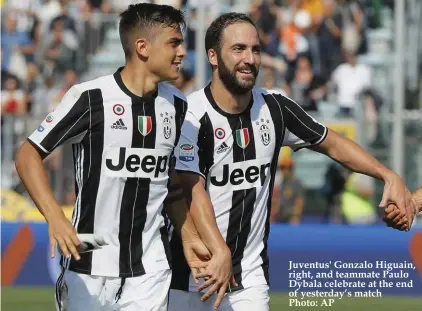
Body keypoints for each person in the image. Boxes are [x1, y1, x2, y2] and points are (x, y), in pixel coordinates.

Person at [168, 12, 417, 311]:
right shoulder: (189, 116)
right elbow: (188, 188)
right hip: (186, 278)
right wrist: (218, 250)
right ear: (213, 56)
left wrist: (386, 174)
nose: (249, 59)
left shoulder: (275, 108)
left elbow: (333, 143)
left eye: (256, 49)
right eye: (238, 49)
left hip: (248, 279)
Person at [14, 4, 229, 311]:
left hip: (150, 264)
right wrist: (55, 218)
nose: (182, 52)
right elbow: (27, 154)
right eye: (173, 43)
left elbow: (171, 185)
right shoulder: (90, 97)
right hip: (88, 257)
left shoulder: (178, 106)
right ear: (142, 47)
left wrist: (188, 235)